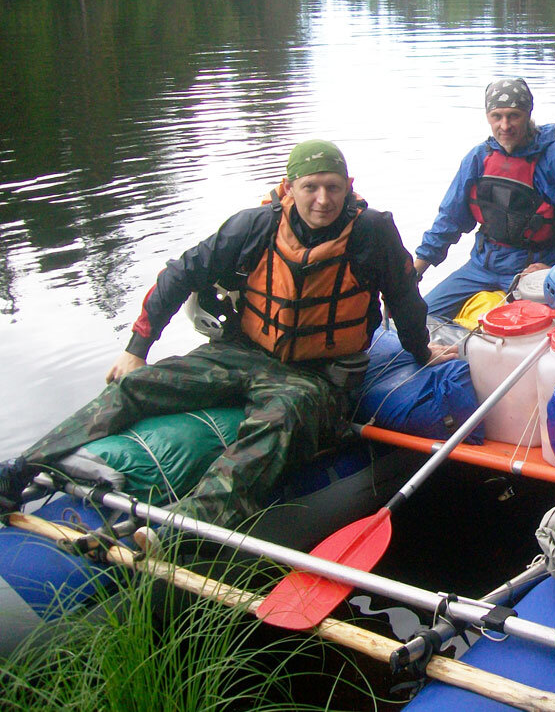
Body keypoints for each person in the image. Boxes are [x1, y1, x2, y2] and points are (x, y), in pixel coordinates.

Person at [0, 140, 456, 523]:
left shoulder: (371, 233)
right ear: (288, 189)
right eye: (310, 187)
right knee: (137, 385)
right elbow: (180, 274)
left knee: (282, 418)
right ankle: (23, 469)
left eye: (332, 187)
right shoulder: (254, 226)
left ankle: (188, 523)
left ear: (348, 188)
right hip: (241, 351)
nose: (322, 199)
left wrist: (420, 350)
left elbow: (404, 300)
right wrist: (137, 348)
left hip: (318, 375)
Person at [414, 77, 555, 320]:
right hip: (482, 266)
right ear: (487, 116)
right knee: (420, 319)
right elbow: (449, 219)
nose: (505, 125)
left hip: (535, 270)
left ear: (528, 113)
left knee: (548, 332)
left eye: (513, 115)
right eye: (497, 116)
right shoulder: (479, 158)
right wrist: (416, 269)